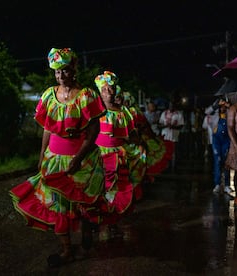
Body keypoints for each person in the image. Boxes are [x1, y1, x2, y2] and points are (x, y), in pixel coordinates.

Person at [9, 48, 107, 267]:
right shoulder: (48, 95)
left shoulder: (87, 96)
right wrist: (42, 154)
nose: (61, 76)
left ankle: (87, 232)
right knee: (57, 206)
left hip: (82, 160)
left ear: (73, 70)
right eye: (57, 72)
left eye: (65, 70)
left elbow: (93, 133)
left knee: (81, 203)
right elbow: (48, 128)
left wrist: (78, 158)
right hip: (54, 159)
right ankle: (66, 250)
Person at [93, 71, 143, 239]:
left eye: (111, 88)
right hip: (98, 155)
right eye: (104, 88)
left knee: (114, 190)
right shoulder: (94, 111)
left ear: (115, 90)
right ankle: (93, 221)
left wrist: (132, 137)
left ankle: (112, 222)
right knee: (97, 189)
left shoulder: (124, 112)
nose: (108, 91)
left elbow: (133, 136)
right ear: (100, 91)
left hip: (118, 156)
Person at [203, 97, 233, 195]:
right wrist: (216, 104)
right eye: (221, 106)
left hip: (226, 140)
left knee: (226, 162)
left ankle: (227, 185)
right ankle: (217, 184)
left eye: (224, 105)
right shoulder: (214, 114)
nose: (223, 107)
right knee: (218, 160)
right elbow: (206, 111)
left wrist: (229, 106)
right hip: (216, 140)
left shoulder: (230, 112)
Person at [159, 98, 184, 173]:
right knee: (165, 152)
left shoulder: (179, 114)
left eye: (173, 105)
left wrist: (173, 127)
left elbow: (181, 126)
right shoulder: (164, 113)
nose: (171, 106)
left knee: (173, 153)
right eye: (170, 105)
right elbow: (160, 124)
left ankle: (173, 168)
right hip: (165, 136)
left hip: (174, 137)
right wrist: (166, 126)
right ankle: (166, 167)